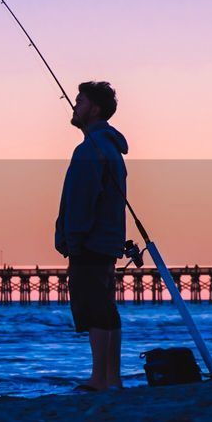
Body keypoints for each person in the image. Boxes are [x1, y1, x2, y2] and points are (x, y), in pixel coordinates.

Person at [55, 80, 128, 391]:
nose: (76, 106)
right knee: (106, 307)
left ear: (95, 109)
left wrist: (73, 241)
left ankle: (99, 378)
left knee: (94, 308)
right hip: (107, 240)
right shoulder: (111, 148)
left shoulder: (89, 149)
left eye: (81, 101)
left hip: (90, 241)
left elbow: (82, 200)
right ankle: (113, 378)